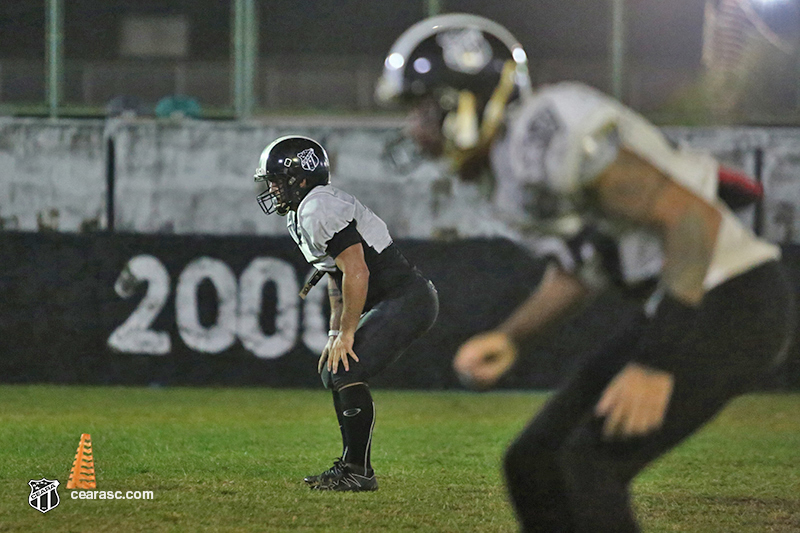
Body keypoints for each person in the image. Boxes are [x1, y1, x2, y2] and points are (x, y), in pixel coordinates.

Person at [377, 13, 795, 532]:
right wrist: (511, 337)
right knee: (533, 463)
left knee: (588, 468)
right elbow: (582, 270)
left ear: (464, 103)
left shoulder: (547, 126)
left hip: (733, 301)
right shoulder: (507, 172)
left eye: (423, 108)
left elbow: (692, 221)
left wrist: (655, 363)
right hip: (685, 306)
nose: (415, 128)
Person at [253, 135, 439, 492]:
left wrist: (349, 333)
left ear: (301, 179)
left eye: (277, 180)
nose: (272, 188)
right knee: (335, 369)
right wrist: (335, 333)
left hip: (407, 297)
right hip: (395, 298)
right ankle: (351, 466)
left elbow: (358, 271)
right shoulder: (305, 210)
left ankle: (358, 471)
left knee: (348, 367)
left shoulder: (316, 208)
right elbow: (336, 278)